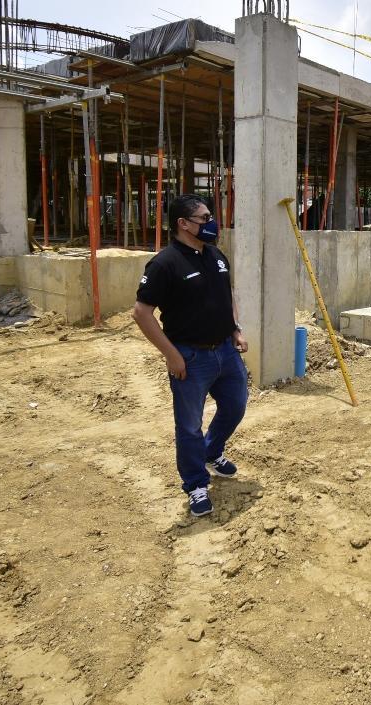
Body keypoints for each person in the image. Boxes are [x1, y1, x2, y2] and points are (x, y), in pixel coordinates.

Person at [133, 194, 249, 518]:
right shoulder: (164, 264)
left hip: (225, 352)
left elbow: (228, 294)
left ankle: (212, 452)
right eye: (204, 218)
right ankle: (196, 485)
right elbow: (141, 313)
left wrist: (236, 329)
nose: (211, 223)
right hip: (190, 358)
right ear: (183, 224)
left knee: (236, 405)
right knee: (188, 426)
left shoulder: (216, 256)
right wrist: (171, 354)